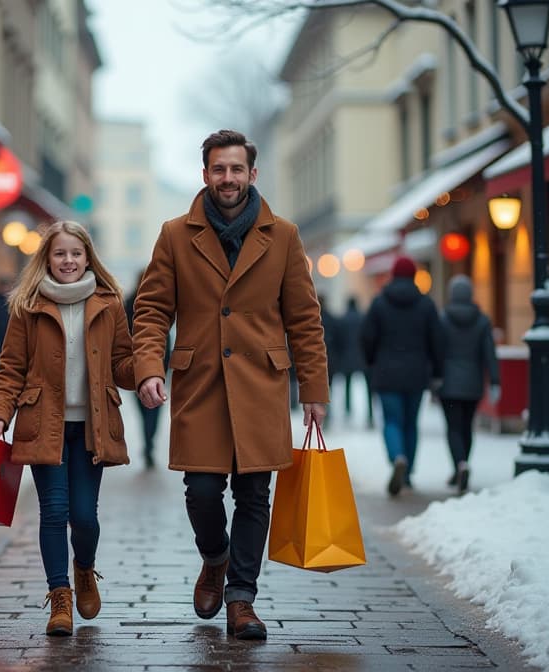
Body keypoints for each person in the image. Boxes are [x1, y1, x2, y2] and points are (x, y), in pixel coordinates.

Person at [132, 129, 329, 641]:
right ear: (205, 174)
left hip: (262, 385)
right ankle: (215, 558)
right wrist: (149, 365)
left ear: (251, 175)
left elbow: (304, 317)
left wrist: (314, 390)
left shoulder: (283, 235)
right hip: (200, 384)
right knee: (201, 492)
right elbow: (152, 309)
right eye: (219, 169)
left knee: (254, 495)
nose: (227, 178)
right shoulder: (175, 234)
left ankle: (242, 599)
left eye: (236, 169)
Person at [0, 221, 134, 637]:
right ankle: (60, 597)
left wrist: (148, 370)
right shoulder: (28, 305)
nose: (68, 261)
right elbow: (11, 367)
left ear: (88, 257)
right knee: (53, 512)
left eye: (75, 253)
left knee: (84, 517)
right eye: (59, 254)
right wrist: (0, 411)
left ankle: (83, 568)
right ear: (46, 259)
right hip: (41, 422)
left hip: (92, 425)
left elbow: (122, 363)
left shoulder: (109, 303)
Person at [360, 256, 444, 497]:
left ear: (394, 275)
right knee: (410, 423)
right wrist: (437, 371)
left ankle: (397, 457)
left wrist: (371, 361)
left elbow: (367, 337)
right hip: (417, 373)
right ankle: (407, 474)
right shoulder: (426, 304)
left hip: (386, 372)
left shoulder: (379, 303)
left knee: (392, 421)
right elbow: (437, 341)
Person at [436, 275, 500, 494]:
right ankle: (462, 464)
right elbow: (489, 353)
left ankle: (459, 464)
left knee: (453, 427)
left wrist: (434, 377)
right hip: (473, 383)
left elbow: (437, 351)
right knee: (466, 426)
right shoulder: (482, 321)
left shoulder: (443, 319)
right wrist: (495, 380)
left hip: (449, 383)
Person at [125, 269, 171, 469]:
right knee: (153, 411)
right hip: (151, 364)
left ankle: (148, 443)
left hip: (141, 365)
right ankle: (149, 443)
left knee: (145, 411)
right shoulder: (132, 304)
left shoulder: (129, 302)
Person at [339, 296, 373, 428]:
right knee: (368, 388)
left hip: (347, 357)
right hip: (363, 357)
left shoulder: (343, 319)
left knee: (347, 386)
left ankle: (348, 410)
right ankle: (370, 414)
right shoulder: (363, 318)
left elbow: (340, 339)